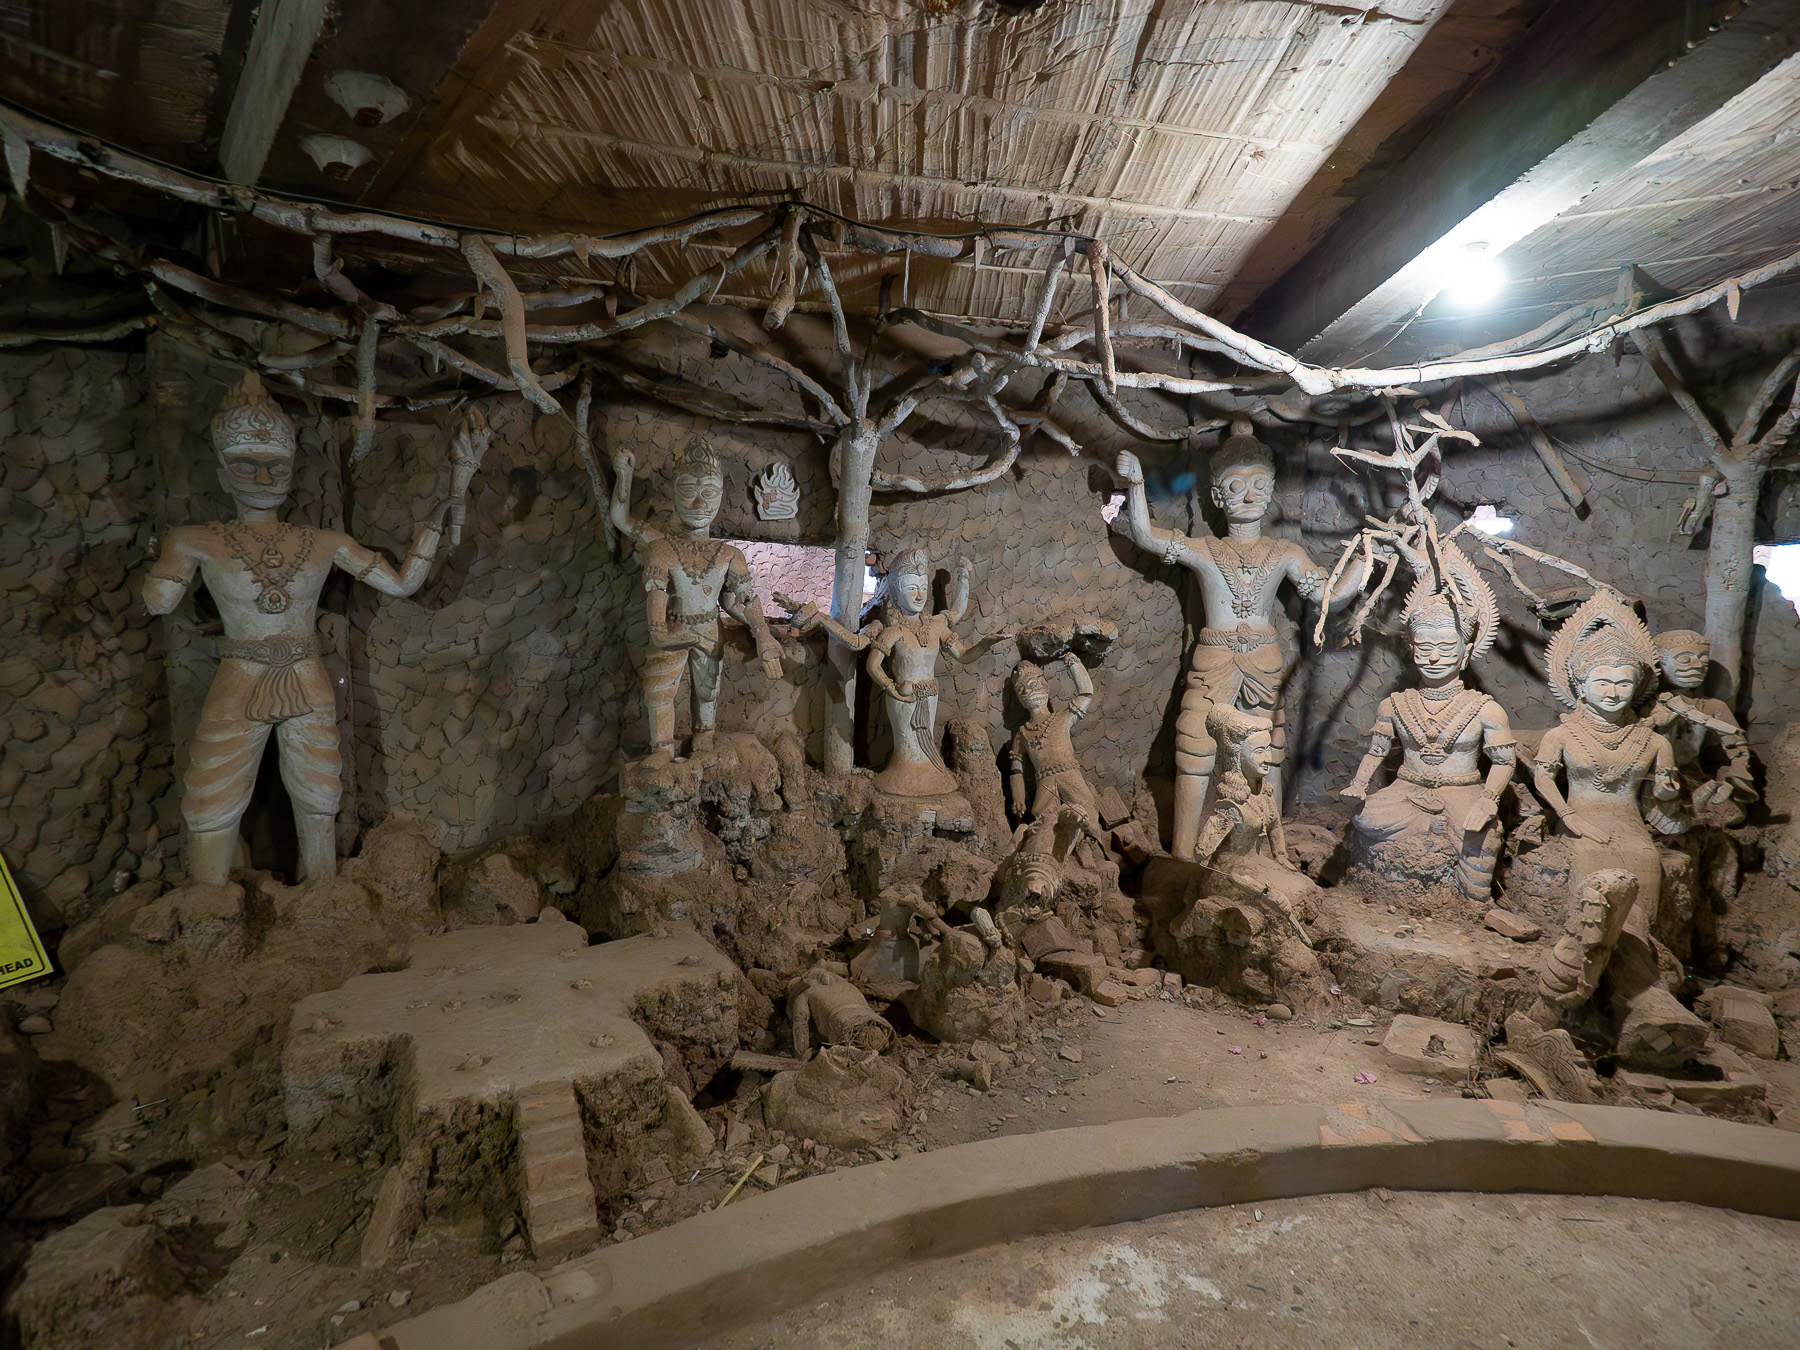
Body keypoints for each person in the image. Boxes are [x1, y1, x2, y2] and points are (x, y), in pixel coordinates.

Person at [144, 372, 471, 885]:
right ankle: (209, 903)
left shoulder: (323, 542)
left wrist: (439, 516)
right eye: (246, 465)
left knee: (319, 793)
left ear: (292, 471)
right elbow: (160, 604)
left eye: (275, 465)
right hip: (242, 673)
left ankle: (323, 895)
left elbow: (402, 584)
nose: (262, 476)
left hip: (304, 669)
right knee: (212, 797)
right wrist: (164, 563)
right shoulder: (197, 540)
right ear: (222, 474)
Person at [1111, 418, 1366, 858]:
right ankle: (1184, 855)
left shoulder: (1284, 553)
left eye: (1258, 485)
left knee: (1266, 752)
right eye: (1236, 486)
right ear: (1216, 496)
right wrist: (1135, 485)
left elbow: (1330, 597)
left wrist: (1367, 556)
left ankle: (1270, 854)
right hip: (1214, 660)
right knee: (1195, 747)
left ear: (1271, 491)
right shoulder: (1205, 549)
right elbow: (1146, 536)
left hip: (1263, 662)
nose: (1248, 496)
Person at [1341, 558, 1516, 900]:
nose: (1434, 657)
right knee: (1366, 818)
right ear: (1412, 649)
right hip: (1407, 789)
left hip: (1462, 791)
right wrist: (1358, 785)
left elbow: (1504, 761)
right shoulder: (1394, 705)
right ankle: (1424, 835)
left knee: (1483, 836)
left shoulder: (1485, 709)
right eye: (1424, 647)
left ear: (1466, 652)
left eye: (1446, 647)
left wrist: (1488, 799)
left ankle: (1469, 904)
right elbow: (1376, 751)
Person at [611, 439, 785, 759]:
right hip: (672, 628)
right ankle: (661, 750)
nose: (699, 501)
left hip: (709, 629)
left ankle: (704, 736)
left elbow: (740, 601)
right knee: (658, 689)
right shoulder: (662, 546)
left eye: (709, 492)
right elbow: (621, 519)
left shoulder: (729, 554)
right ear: (674, 492)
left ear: (720, 495)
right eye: (688, 489)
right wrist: (624, 476)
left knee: (708, 689)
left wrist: (763, 634)